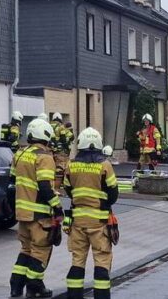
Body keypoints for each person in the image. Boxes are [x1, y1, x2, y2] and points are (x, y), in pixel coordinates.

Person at [9, 118, 63, 298]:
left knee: (25, 249)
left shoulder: (20, 154)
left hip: (22, 212)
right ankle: (35, 286)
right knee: (40, 250)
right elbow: (45, 188)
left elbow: (13, 182)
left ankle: (15, 287)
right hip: (39, 214)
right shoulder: (44, 157)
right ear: (45, 136)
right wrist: (57, 208)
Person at [63, 127, 118, 299]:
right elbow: (113, 193)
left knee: (77, 260)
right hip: (99, 223)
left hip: (78, 222)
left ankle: (74, 296)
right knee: (101, 260)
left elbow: (68, 189)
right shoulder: (105, 165)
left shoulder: (71, 165)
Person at [49, 113, 71, 190]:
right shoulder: (60, 127)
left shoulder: (48, 125)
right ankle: (57, 189)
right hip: (59, 151)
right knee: (59, 169)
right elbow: (63, 139)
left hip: (49, 151)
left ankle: (51, 187)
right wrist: (66, 149)